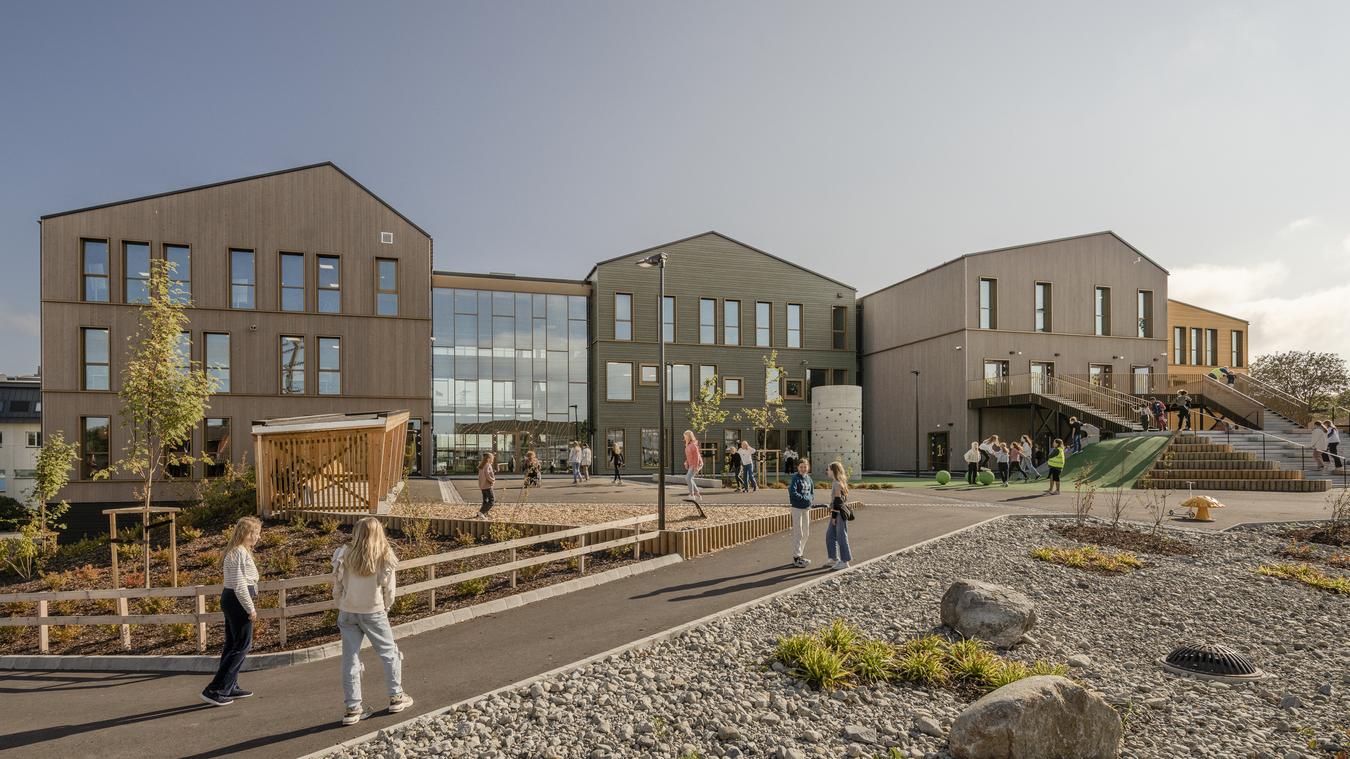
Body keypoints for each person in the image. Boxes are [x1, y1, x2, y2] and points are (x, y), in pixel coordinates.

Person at [333, 517, 414, 726]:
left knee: (350, 659)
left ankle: (352, 708)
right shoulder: (384, 555)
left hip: (348, 611)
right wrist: (385, 607)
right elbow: (390, 589)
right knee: (389, 653)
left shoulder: (344, 553)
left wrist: (341, 602)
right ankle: (396, 696)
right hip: (373, 610)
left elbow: (337, 584)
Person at [201, 516, 262, 707]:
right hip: (237, 601)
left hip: (234, 600)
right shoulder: (237, 553)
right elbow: (239, 585)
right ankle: (215, 689)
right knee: (242, 645)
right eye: (256, 533)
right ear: (246, 533)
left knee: (233, 644)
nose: (258, 537)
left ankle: (230, 685)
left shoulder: (240, 551)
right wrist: (250, 608)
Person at [825, 461, 852, 570]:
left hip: (839, 513)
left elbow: (837, 501)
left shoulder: (837, 483)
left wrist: (834, 517)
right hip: (837, 512)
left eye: (829, 469)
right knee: (830, 535)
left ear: (833, 471)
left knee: (841, 537)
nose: (827, 471)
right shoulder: (839, 482)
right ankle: (833, 558)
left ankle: (845, 561)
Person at [789, 459, 814, 567]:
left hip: (806, 508)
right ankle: (797, 557)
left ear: (808, 467)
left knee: (806, 533)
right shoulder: (795, 478)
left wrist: (810, 499)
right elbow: (792, 492)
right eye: (801, 467)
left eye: (805, 467)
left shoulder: (809, 478)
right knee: (798, 533)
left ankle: (801, 554)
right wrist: (804, 498)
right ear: (798, 468)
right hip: (797, 508)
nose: (803, 469)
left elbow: (812, 492)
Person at [682, 430, 704, 502]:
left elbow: (697, 456)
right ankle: (697, 493)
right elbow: (689, 456)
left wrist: (696, 467)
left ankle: (692, 495)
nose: (684, 437)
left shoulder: (693, 445)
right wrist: (686, 462)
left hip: (697, 463)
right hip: (692, 463)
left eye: (685, 436)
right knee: (689, 478)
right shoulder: (688, 445)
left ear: (688, 436)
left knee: (688, 478)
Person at [476, 452, 496, 519]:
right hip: (487, 486)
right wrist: (492, 480)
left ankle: (483, 513)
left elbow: (480, 477)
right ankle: (481, 512)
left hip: (482, 486)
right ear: (488, 459)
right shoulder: (488, 465)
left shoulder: (482, 465)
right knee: (492, 501)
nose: (492, 459)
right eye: (492, 458)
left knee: (485, 501)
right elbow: (487, 475)